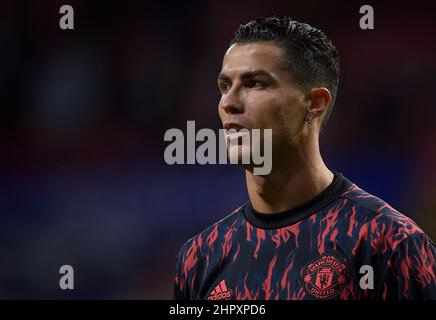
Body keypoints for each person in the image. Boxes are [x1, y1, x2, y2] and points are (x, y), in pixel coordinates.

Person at [173, 16, 436, 300]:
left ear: (314, 104)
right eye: (225, 86)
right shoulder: (200, 258)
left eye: (255, 84)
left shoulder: (388, 243)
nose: (229, 103)